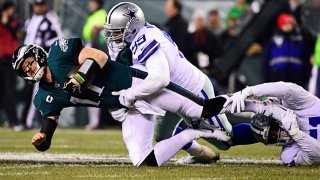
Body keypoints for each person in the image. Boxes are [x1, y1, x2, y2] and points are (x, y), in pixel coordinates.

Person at [12, 38, 230, 167]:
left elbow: (99, 56)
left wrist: (80, 77)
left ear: (38, 55)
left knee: (202, 110)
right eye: (25, 69)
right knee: (144, 161)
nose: (30, 69)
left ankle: (250, 98)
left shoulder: (58, 54)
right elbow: (48, 126)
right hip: (126, 108)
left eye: (29, 63)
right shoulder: (43, 97)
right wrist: (42, 140)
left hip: (139, 84)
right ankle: (193, 140)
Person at [104, 2, 241, 163]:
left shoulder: (145, 39)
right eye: (111, 31)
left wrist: (129, 96)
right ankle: (199, 152)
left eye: (117, 32)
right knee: (162, 136)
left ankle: (268, 133)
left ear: (132, 28)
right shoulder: (127, 42)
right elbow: (125, 77)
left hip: (193, 91)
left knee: (226, 140)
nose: (113, 36)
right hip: (171, 94)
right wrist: (114, 104)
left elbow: (160, 79)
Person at [223, 81, 320, 165]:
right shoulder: (288, 155)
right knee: (256, 131)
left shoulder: (304, 103)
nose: (279, 135)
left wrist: (250, 91)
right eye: (272, 137)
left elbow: (286, 89)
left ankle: (226, 137)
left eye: (274, 130)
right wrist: (296, 134)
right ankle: (225, 137)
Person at [22, 0, 63, 129]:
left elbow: (58, 39)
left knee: (37, 92)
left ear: (45, 6)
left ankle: (28, 122)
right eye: (36, 5)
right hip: (28, 61)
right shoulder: (30, 19)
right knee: (29, 92)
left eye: (40, 5)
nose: (38, 8)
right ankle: (28, 120)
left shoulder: (51, 19)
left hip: (41, 61)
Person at [261, 13, 312, 87]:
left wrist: (305, 78)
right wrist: (266, 80)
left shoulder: (299, 39)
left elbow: (306, 59)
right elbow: (265, 61)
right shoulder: (273, 40)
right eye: (286, 23)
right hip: (276, 77)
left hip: (296, 78)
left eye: (290, 24)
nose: (289, 26)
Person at [82, 0, 107, 130]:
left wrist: (97, 29)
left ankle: (97, 122)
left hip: (96, 52)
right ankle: (94, 121)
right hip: (89, 49)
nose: (90, 4)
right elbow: (87, 34)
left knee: (94, 86)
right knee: (88, 86)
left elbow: (101, 33)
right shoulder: (91, 16)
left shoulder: (102, 14)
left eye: (93, 2)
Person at [0, 1, 23, 131]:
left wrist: (6, 23)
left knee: (10, 92)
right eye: (9, 9)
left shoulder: (14, 22)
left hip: (9, 61)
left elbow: (18, 35)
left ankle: (14, 121)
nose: (11, 11)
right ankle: (10, 118)